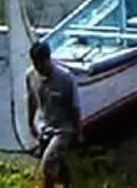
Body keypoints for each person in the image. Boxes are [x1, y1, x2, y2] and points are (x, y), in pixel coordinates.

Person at [25, 39, 80, 187]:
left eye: (41, 64)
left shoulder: (66, 78)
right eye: (35, 64)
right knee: (59, 165)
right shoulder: (31, 76)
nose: (38, 68)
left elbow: (74, 107)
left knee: (48, 165)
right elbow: (32, 100)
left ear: (48, 59)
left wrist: (78, 132)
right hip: (45, 126)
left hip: (63, 129)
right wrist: (31, 123)